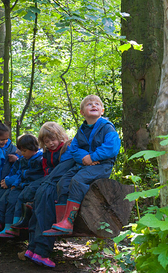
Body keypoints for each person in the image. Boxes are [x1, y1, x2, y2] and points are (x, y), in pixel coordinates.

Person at [33, 95, 120, 267]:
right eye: (89, 104)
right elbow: (74, 148)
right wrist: (85, 157)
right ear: (82, 112)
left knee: (78, 180)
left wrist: (93, 157)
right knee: (64, 181)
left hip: (102, 165)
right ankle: (61, 221)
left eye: (97, 104)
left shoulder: (106, 127)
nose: (93, 105)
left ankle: (69, 219)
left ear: (102, 110)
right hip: (86, 163)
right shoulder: (82, 130)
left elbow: (112, 147)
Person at [9, 122, 71, 234]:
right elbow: (45, 167)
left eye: (53, 139)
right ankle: (22, 220)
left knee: (33, 190)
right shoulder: (47, 152)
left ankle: (28, 213)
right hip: (47, 178)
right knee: (26, 192)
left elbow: (62, 169)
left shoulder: (65, 149)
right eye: (47, 141)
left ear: (59, 136)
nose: (51, 143)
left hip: (57, 179)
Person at [0, 134, 44, 238]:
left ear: (33, 148)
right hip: (19, 185)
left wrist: (15, 183)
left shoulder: (39, 159)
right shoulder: (23, 160)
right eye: (21, 151)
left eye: (24, 151)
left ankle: (14, 226)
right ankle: (3, 223)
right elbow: (18, 173)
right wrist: (12, 183)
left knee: (14, 199)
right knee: (6, 197)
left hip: (27, 187)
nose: (22, 154)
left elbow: (33, 176)